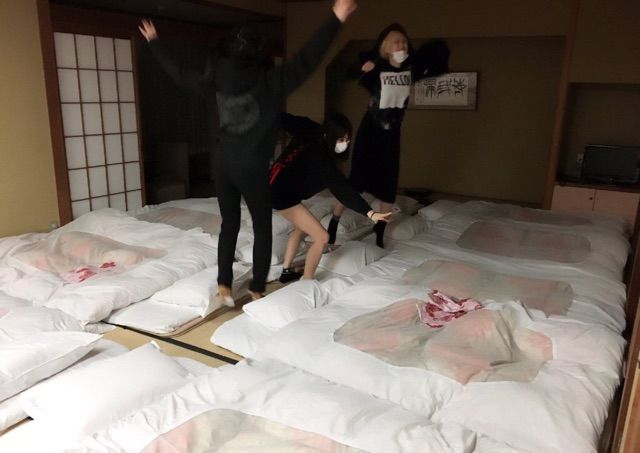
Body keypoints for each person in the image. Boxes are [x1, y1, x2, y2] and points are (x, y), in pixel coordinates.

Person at [139, 0, 358, 305]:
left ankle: (224, 285)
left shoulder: (213, 79)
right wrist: (336, 17)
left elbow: (179, 73)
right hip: (251, 167)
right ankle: (256, 289)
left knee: (229, 223)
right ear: (259, 53)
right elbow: (307, 60)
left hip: (222, 164)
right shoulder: (271, 80)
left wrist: (154, 42)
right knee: (261, 227)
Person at [327, 24, 450, 248]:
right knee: (356, 182)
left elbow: (435, 62)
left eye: (404, 41)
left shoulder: (411, 70)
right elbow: (348, 73)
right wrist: (365, 67)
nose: (401, 45)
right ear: (385, 47)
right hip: (370, 132)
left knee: (388, 187)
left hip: (392, 135)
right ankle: (334, 222)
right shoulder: (377, 68)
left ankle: (379, 232)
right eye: (396, 41)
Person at [270, 113, 391, 282]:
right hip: (281, 195)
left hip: (276, 187)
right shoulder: (322, 159)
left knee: (302, 228)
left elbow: (280, 118)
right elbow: (343, 190)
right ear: (329, 135)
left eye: (347, 139)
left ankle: (286, 271)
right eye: (341, 139)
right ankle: (307, 281)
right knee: (322, 237)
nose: (345, 143)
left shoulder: (310, 129)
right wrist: (370, 213)